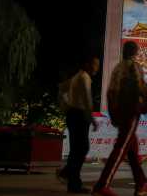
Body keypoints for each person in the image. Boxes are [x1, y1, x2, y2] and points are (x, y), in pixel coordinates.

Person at [92, 41, 147, 196]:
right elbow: (142, 88)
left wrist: (113, 114)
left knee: (131, 150)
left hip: (119, 112)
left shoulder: (117, 68)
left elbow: (110, 93)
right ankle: (102, 185)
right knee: (121, 147)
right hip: (130, 111)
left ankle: (141, 184)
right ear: (135, 52)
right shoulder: (133, 67)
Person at [56, 56, 100, 194]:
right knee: (81, 149)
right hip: (79, 115)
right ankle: (72, 181)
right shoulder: (84, 77)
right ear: (87, 64)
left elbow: (61, 89)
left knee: (77, 150)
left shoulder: (77, 76)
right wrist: (91, 118)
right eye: (94, 64)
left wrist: (65, 107)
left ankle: (68, 176)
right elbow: (87, 99)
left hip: (74, 114)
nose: (96, 68)